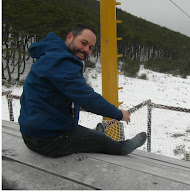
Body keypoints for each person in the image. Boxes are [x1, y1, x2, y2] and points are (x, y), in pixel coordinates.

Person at [19, 24, 146, 158]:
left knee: (87, 135)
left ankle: (97, 134)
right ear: (70, 37)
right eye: (83, 43)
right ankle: (122, 147)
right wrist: (119, 114)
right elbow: (88, 98)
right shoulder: (60, 62)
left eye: (90, 48)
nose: (86, 50)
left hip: (33, 131)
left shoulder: (52, 54)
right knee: (103, 142)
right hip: (47, 140)